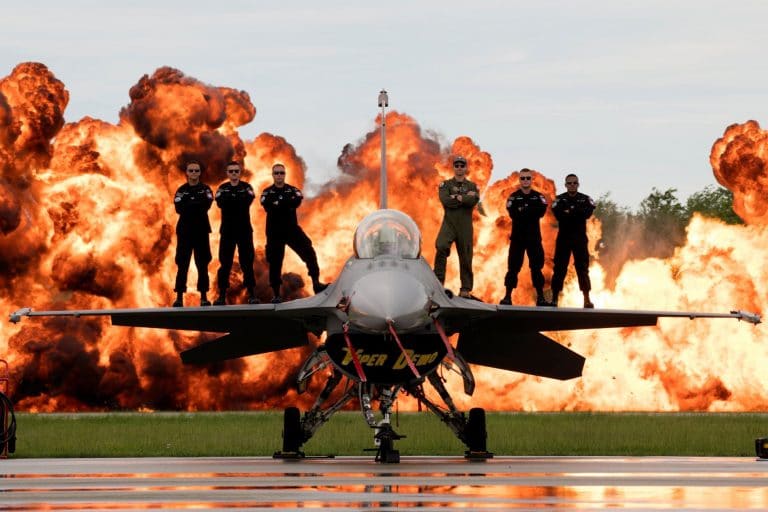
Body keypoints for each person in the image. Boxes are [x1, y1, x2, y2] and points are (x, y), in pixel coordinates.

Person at [260, 163, 328, 303]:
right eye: (277, 173)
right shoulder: (267, 192)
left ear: (285, 175)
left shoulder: (293, 190)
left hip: (291, 230)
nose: (279, 175)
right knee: (275, 263)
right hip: (274, 232)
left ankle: (316, 283)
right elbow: (268, 206)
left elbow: (296, 200)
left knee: (309, 251)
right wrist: (285, 203)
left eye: (281, 173)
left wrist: (278, 204)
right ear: (273, 175)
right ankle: (276, 294)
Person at [500, 168, 549, 306]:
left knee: (537, 268)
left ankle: (541, 298)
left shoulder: (538, 197)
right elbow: (513, 214)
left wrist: (524, 211)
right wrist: (529, 211)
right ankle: (507, 297)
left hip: (534, 238)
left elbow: (541, 213)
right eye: (523, 178)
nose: (525, 180)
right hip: (518, 239)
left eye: (528, 178)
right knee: (513, 268)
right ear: (519, 180)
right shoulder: (513, 197)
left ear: (532, 180)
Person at [434, 155, 479, 298]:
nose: (459, 168)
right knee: (441, 246)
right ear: (453, 168)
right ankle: (438, 282)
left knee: (466, 255)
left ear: (466, 168)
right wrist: (464, 198)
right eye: (457, 165)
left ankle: (465, 288)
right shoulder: (445, 185)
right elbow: (446, 201)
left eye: (462, 165)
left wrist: (457, 197)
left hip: (465, 226)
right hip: (449, 223)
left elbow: (473, 200)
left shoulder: (472, 186)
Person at [213, 161, 258, 305]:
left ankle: (251, 295)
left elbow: (247, 201)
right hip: (227, 232)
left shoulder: (247, 187)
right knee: (225, 264)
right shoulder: (222, 188)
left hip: (244, 231)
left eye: (236, 171)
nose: (233, 174)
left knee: (247, 263)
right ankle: (221, 296)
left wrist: (231, 200)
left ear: (240, 173)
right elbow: (220, 203)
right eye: (231, 171)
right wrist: (237, 199)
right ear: (227, 173)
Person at [550, 173, 596, 308]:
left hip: (580, 238)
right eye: (569, 183)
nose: (572, 185)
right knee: (559, 268)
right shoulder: (559, 199)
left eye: (574, 183)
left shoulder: (585, 199)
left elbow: (587, 213)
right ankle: (554, 299)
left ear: (578, 184)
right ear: (565, 185)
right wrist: (576, 212)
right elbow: (558, 215)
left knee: (582, 269)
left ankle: (587, 299)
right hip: (564, 238)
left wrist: (569, 212)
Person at [172, 160, 213, 307]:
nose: (194, 173)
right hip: (184, 232)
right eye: (191, 170)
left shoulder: (206, 189)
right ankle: (179, 297)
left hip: (201, 231)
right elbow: (178, 208)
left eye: (196, 170)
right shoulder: (181, 190)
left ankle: (203, 297)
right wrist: (195, 204)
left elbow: (205, 206)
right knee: (182, 264)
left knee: (202, 264)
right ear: (187, 173)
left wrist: (189, 204)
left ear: (200, 173)